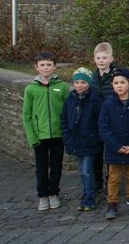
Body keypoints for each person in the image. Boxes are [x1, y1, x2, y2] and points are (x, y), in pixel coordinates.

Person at [23, 51, 70, 211]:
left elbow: (67, 111)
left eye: (49, 64)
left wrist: (66, 131)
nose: (45, 67)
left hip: (58, 134)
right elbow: (27, 115)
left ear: (54, 66)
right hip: (40, 135)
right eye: (42, 65)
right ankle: (43, 195)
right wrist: (32, 136)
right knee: (41, 167)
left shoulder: (62, 87)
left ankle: (53, 193)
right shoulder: (31, 89)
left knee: (56, 165)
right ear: (36, 67)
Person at [99, 66, 129, 219]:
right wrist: (116, 146)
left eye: (122, 82)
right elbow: (104, 127)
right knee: (113, 178)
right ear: (112, 85)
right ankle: (112, 203)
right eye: (116, 83)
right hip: (114, 149)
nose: (119, 86)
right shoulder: (108, 104)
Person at [61, 67, 101, 211]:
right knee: (83, 170)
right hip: (76, 140)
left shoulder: (95, 99)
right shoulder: (70, 99)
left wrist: (95, 137)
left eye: (83, 82)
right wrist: (67, 136)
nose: (80, 85)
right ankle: (87, 192)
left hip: (89, 140)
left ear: (89, 83)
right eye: (77, 82)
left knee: (86, 171)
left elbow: (100, 120)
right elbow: (64, 119)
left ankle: (89, 198)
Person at [92, 41, 116, 192]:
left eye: (104, 58)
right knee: (96, 152)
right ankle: (97, 181)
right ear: (94, 59)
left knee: (110, 153)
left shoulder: (115, 75)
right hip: (95, 120)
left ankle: (110, 181)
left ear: (111, 59)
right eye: (98, 58)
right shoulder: (92, 77)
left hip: (110, 120)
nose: (101, 61)